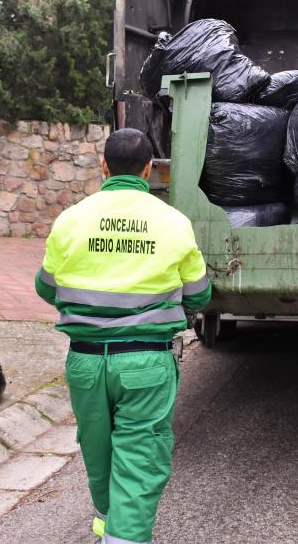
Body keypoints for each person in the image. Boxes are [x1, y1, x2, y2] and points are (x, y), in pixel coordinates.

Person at [35, 128, 211, 543]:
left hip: (86, 361)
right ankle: (121, 535)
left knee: (98, 451)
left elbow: (46, 287)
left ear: (103, 166)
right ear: (150, 169)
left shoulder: (72, 218)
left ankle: (107, 523)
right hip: (146, 363)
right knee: (140, 456)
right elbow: (199, 294)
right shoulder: (173, 222)